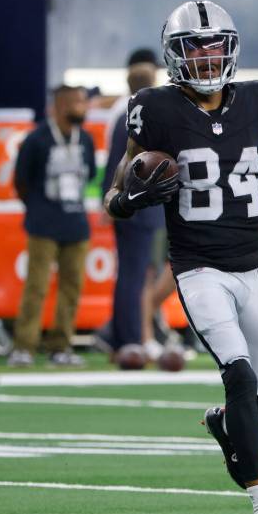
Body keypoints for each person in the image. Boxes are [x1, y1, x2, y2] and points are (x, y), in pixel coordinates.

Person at [104, 0, 258, 514]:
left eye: (213, 45)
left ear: (231, 47)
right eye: (194, 48)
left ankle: (226, 426)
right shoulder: (153, 108)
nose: (205, 57)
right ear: (175, 55)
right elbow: (116, 191)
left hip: (257, 265)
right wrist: (128, 198)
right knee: (238, 375)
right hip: (198, 267)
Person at [9, 85, 96, 367]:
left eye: (84, 102)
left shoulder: (85, 139)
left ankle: (60, 345)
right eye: (78, 103)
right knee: (37, 285)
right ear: (60, 106)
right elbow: (21, 180)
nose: (83, 108)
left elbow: (90, 174)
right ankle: (24, 346)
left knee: (72, 286)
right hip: (43, 224)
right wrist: (37, 208)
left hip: (76, 223)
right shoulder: (37, 139)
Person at [97, 49, 165, 358]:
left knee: (138, 273)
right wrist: (113, 198)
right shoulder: (137, 111)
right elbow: (120, 161)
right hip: (140, 203)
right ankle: (127, 337)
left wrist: (110, 198)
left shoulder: (126, 111)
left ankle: (126, 335)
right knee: (136, 273)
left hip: (136, 202)